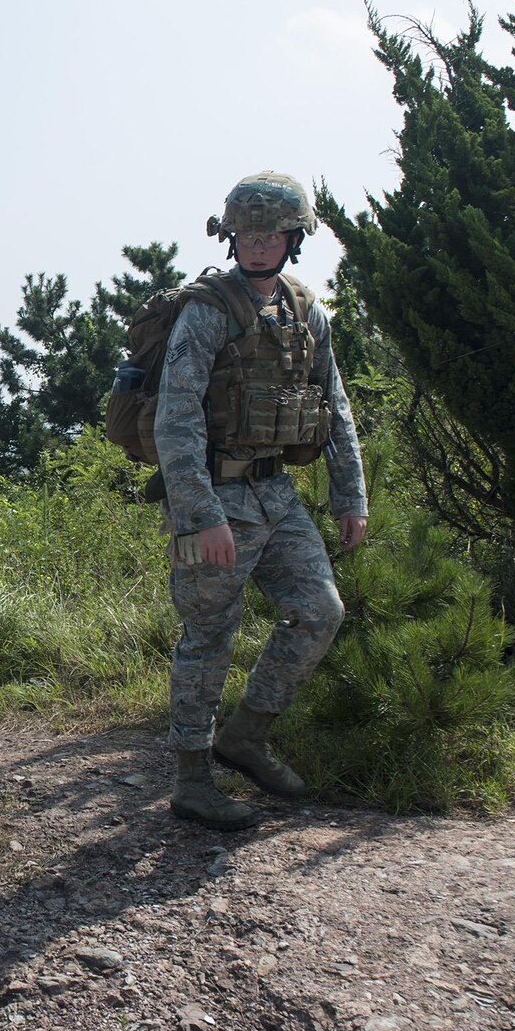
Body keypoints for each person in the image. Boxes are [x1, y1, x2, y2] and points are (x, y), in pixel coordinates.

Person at [154, 171, 369, 830]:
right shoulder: (206, 312)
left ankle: (245, 736)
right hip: (213, 498)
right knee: (207, 635)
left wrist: (350, 495)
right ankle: (193, 778)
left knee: (320, 610)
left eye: (269, 234)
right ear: (231, 237)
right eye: (245, 234)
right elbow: (176, 417)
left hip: (275, 493)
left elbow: (334, 406)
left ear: (292, 238)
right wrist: (201, 514)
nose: (256, 245)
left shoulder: (307, 312)